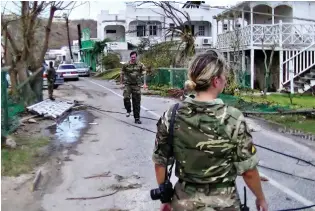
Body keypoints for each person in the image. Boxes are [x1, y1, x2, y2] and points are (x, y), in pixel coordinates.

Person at [152, 50, 268, 211]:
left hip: (184, 202)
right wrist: (261, 198)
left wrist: (165, 198)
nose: (225, 79)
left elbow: (160, 163)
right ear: (216, 81)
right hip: (224, 204)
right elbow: (248, 171)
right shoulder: (233, 118)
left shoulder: (172, 115)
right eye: (224, 76)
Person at [120, 51, 146, 124]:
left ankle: (137, 118)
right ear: (130, 57)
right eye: (132, 57)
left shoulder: (140, 65)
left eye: (134, 57)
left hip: (136, 85)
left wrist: (144, 84)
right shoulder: (126, 65)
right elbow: (121, 73)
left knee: (136, 102)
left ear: (136, 57)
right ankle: (128, 110)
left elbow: (144, 74)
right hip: (128, 84)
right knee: (126, 97)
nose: (133, 58)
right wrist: (121, 83)